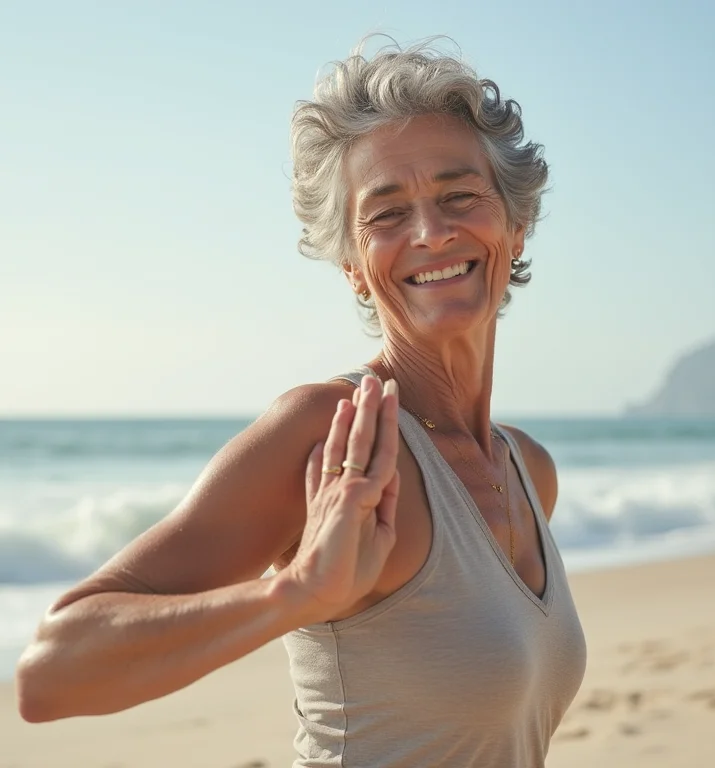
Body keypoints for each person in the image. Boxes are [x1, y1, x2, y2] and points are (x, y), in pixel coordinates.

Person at [16, 38, 587, 767]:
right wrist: (292, 596)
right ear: (352, 265)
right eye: (385, 213)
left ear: (516, 221)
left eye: (459, 196)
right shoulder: (330, 435)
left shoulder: (529, 470)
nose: (430, 232)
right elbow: (51, 674)